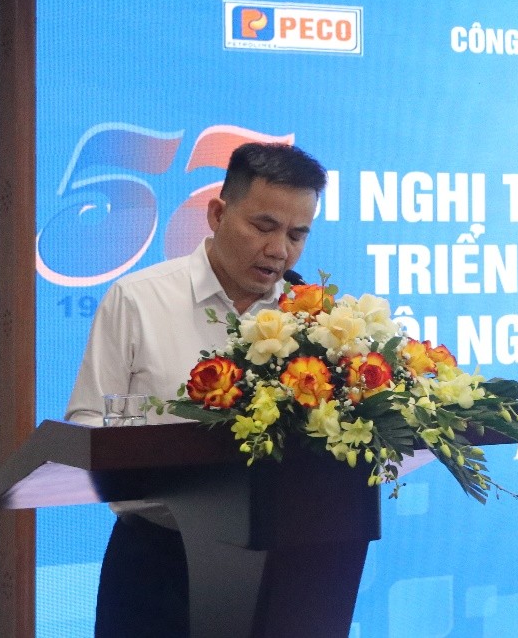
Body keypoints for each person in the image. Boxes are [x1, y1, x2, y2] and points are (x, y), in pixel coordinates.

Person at [64, 141, 327, 638]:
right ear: (217, 214)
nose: (279, 250)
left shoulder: (317, 319)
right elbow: (87, 424)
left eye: (297, 235)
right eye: (264, 226)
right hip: (157, 560)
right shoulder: (139, 300)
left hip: (283, 563)